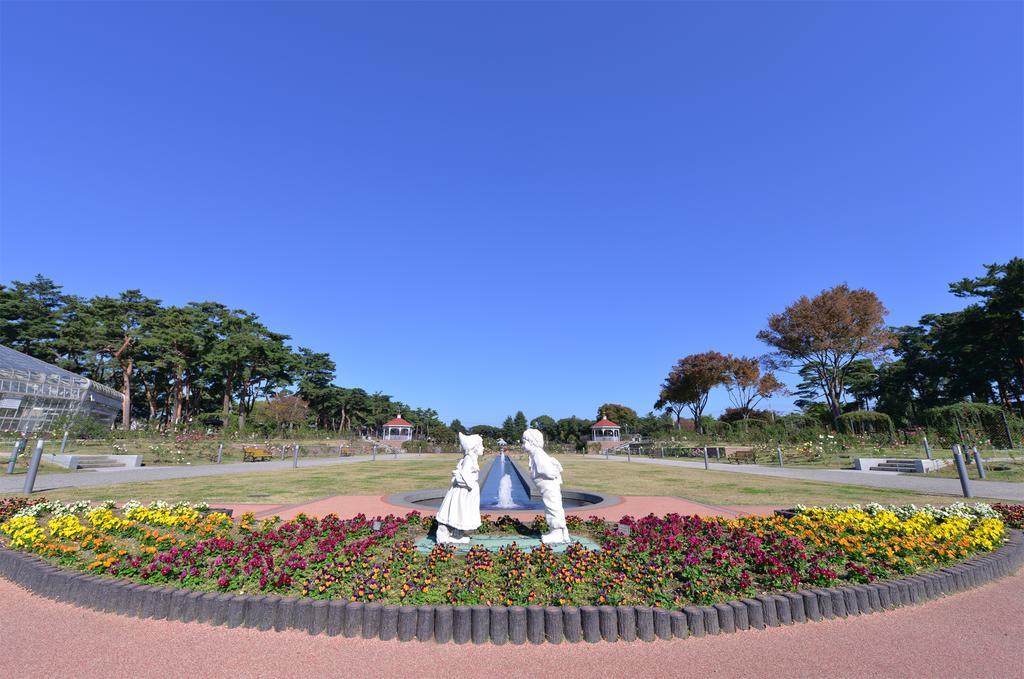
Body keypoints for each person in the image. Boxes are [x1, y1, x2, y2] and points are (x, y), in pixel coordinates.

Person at [522, 428, 571, 544]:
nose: (522, 445)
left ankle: (558, 533)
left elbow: (548, 470)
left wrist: (552, 471)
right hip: (546, 488)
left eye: (524, 442)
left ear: (532, 442)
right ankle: (560, 532)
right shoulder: (535, 455)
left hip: (549, 487)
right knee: (552, 506)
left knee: (552, 507)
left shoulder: (538, 454)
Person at [435, 432, 483, 544]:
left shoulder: (472, 458)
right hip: (463, 492)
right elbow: (463, 476)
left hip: (467, 491)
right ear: (474, 448)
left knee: (462, 511)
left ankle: (458, 534)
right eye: (481, 445)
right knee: (458, 510)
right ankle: (445, 536)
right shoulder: (469, 459)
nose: (483, 448)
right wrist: (471, 483)